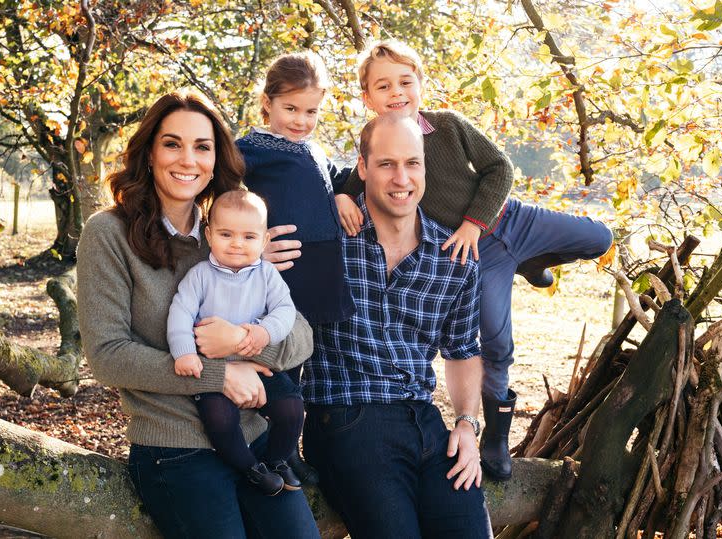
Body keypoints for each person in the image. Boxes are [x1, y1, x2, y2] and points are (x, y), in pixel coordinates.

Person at [334, 40, 613, 480]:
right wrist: (338, 197)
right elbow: (354, 181)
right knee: (495, 342)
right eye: (383, 86)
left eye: (406, 81)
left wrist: (472, 222)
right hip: (477, 258)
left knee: (599, 237)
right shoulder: (378, 147)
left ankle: (533, 261)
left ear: (421, 83)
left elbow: (499, 168)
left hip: (510, 221)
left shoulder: (447, 126)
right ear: (367, 97)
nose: (397, 92)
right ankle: (496, 439)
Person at [76, 90, 319, 538]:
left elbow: (301, 334)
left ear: (216, 159)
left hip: (255, 435)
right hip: (176, 447)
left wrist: (246, 342)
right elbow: (108, 356)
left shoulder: (231, 234)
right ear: (149, 153)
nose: (187, 159)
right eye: (172, 143)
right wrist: (220, 375)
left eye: (202, 147)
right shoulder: (108, 234)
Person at [301, 113, 493, 538]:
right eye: (386, 164)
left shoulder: (453, 258)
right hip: (346, 416)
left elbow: (462, 350)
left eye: (412, 163)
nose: (401, 177)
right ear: (363, 168)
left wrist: (466, 423)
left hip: (425, 422)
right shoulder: (327, 243)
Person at [236, 51, 355, 483]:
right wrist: (250, 242)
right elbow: (219, 194)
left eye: (311, 111)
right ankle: (273, 449)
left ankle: (289, 448)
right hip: (283, 274)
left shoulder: (313, 148)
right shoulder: (251, 149)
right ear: (267, 103)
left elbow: (337, 176)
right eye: (290, 109)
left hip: (319, 274)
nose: (301, 120)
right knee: (278, 363)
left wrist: (342, 193)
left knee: (301, 364)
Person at [167, 190, 303, 495]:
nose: (237, 244)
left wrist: (263, 333)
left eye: (248, 236)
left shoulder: (267, 275)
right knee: (219, 419)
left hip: (256, 365)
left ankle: (277, 460)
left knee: (292, 408)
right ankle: (249, 468)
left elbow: (285, 311)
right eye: (226, 234)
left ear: (264, 241)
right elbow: (180, 313)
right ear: (209, 234)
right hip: (214, 370)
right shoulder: (200, 275)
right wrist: (185, 353)